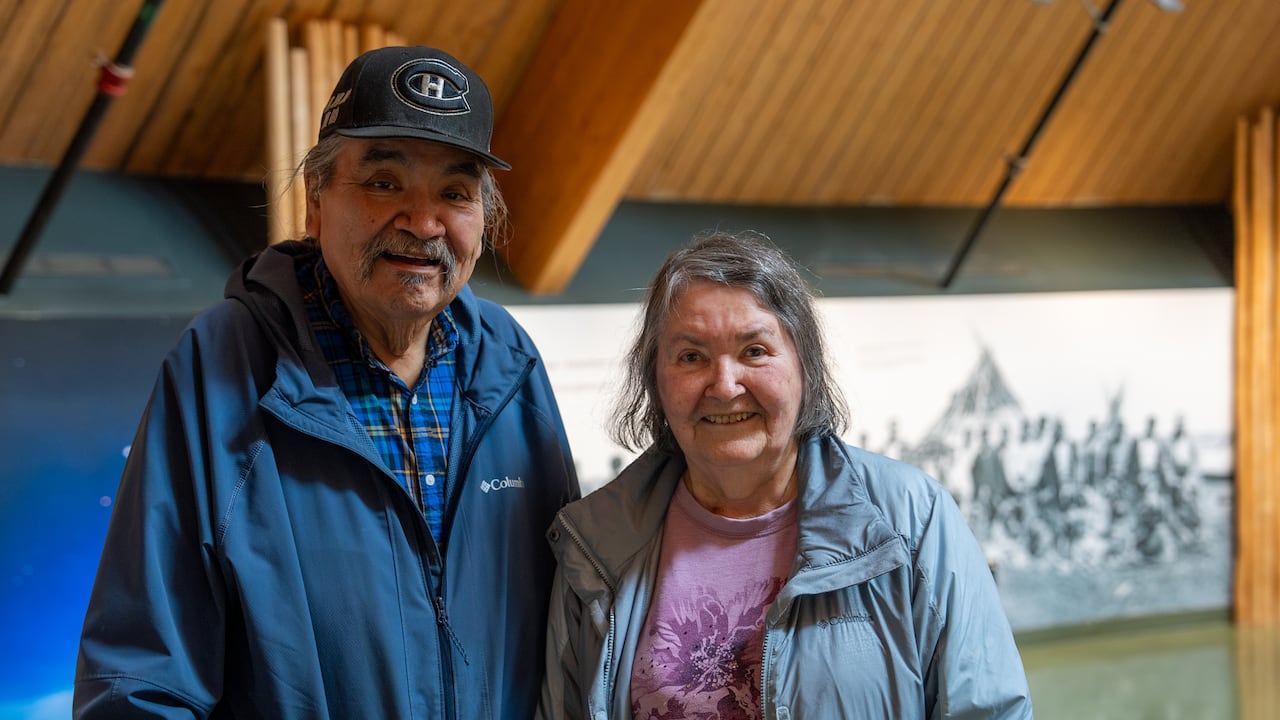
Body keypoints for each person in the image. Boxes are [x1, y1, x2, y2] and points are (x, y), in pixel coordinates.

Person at [74, 45, 579, 719]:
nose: (423, 222)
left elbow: (569, 633)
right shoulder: (224, 363)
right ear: (316, 200)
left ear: (482, 220)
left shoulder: (508, 362)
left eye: (454, 193)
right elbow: (141, 679)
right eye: (384, 183)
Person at [538, 230, 1032, 719]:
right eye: (692, 356)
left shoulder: (910, 519)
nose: (725, 385)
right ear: (656, 381)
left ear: (805, 366)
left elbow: (988, 710)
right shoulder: (596, 544)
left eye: (755, 351)